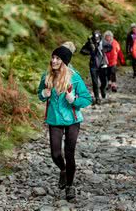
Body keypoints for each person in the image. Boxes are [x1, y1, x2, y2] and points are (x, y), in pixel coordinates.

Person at [38, 43, 92, 200]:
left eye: (57, 58)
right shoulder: (46, 77)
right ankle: (62, 169)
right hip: (54, 119)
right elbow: (39, 95)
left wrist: (74, 99)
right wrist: (43, 93)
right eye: (53, 57)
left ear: (64, 61)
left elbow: (87, 98)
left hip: (72, 120)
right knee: (55, 154)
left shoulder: (74, 77)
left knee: (69, 154)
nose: (53, 61)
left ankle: (70, 186)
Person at [80, 30, 111, 105]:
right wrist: (90, 51)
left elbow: (110, 47)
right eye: (95, 37)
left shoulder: (103, 42)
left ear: (100, 36)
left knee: (104, 81)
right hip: (93, 64)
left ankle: (103, 89)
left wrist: (104, 50)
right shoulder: (90, 42)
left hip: (102, 64)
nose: (96, 39)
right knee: (95, 82)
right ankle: (97, 97)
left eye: (97, 37)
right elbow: (82, 50)